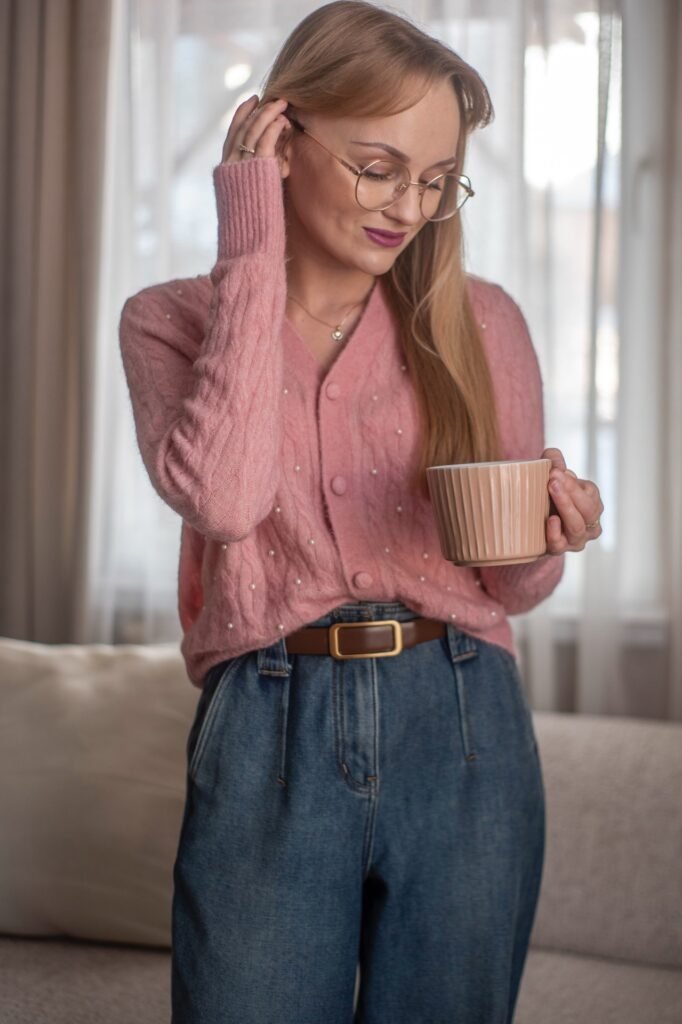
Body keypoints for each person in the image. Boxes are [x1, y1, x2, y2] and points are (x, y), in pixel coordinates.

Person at [118, 2, 604, 1021]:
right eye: (378, 166)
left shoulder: (484, 323)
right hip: (266, 721)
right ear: (278, 138)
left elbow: (509, 583)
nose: (407, 206)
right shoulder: (168, 321)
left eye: (433, 180)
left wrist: (549, 536)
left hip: (465, 720)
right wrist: (248, 244)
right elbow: (224, 493)